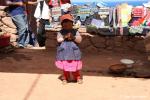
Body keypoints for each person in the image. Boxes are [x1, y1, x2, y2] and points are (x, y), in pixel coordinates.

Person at [55, 14, 83, 84]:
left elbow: (79, 40)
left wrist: (73, 37)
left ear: (72, 23)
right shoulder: (60, 32)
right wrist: (64, 37)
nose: (67, 24)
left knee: (75, 65)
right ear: (62, 24)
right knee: (65, 66)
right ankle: (65, 78)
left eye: (69, 22)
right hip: (64, 52)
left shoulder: (75, 31)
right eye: (65, 22)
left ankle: (77, 77)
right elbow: (58, 40)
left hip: (74, 52)